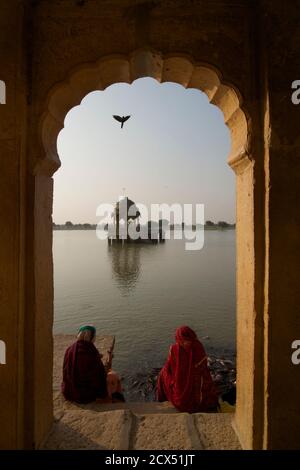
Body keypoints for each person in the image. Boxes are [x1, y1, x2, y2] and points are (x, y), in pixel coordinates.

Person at [156, 325, 218, 413]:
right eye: (184, 341)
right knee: (163, 373)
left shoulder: (177, 348)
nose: (186, 343)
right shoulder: (195, 346)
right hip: (191, 382)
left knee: (163, 374)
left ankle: (163, 397)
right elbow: (203, 367)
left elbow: (170, 366)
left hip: (188, 384)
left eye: (186, 340)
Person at [61, 325, 124, 404]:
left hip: (69, 391)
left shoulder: (70, 349)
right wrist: (110, 358)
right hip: (85, 395)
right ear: (92, 337)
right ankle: (118, 401)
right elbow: (102, 374)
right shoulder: (91, 352)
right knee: (114, 376)